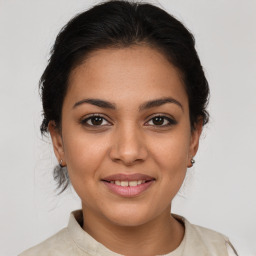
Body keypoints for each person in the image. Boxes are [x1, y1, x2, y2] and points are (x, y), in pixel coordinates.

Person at [20, 1, 239, 255]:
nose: (128, 152)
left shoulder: (222, 251)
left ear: (193, 137)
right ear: (58, 141)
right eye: (96, 120)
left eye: (158, 120)